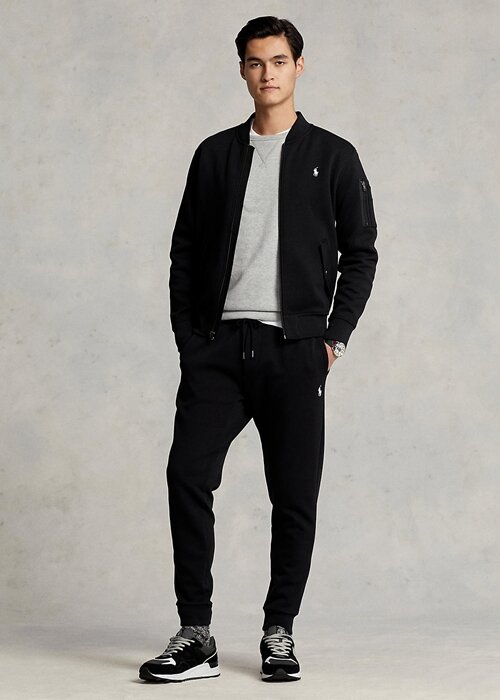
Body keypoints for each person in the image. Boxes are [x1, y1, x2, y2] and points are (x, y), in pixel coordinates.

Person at [139, 14, 378, 684]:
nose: (266, 73)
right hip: (218, 348)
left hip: (295, 350)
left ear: (299, 66)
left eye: (277, 61)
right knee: (188, 475)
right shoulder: (214, 155)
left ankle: (279, 631)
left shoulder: (333, 156)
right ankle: (196, 634)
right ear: (242, 70)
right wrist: (190, 341)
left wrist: (332, 337)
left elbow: (361, 253)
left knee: (294, 495)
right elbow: (185, 252)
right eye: (254, 62)